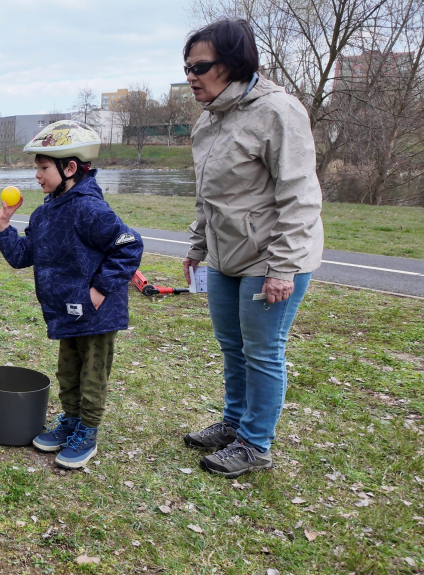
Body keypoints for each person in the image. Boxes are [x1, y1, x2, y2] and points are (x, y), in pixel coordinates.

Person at [179, 19, 324, 479]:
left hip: (271, 258)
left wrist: (283, 267)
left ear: (233, 64)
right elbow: (209, 195)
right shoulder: (207, 121)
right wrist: (198, 247)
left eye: (200, 66)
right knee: (231, 347)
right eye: (186, 67)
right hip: (226, 256)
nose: (191, 77)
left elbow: (300, 196)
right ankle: (234, 424)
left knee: (263, 351)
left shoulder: (279, 111)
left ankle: (255, 444)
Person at [0, 120, 143, 470]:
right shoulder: (45, 212)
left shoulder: (89, 208)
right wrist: (4, 226)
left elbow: (128, 246)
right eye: (37, 168)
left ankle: (87, 432)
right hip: (66, 311)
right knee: (68, 372)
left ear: (70, 168)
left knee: (92, 375)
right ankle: (71, 421)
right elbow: (21, 256)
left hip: (96, 312)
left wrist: (99, 290)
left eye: (43, 167)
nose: (37, 175)